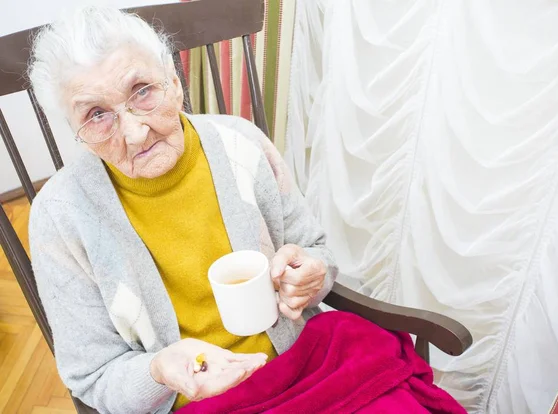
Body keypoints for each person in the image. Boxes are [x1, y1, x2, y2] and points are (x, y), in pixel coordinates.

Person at [27, 6, 337, 413]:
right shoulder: (60, 215)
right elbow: (93, 375)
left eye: (142, 90)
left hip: (305, 368)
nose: (136, 133)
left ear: (174, 82)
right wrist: (156, 370)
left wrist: (312, 275)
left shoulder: (242, 144)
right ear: (78, 136)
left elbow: (317, 255)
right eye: (97, 115)